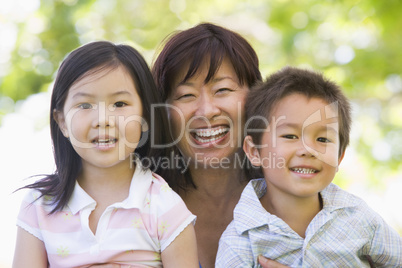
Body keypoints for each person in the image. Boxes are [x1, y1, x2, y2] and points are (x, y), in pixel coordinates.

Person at [13, 41, 198, 268]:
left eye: (119, 103)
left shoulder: (164, 207)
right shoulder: (39, 205)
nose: (103, 119)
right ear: (62, 121)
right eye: (84, 105)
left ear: (145, 117)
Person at [216, 66, 402, 267]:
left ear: (339, 157)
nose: (308, 150)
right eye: (290, 136)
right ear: (254, 151)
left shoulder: (357, 216)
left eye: (322, 139)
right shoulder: (241, 241)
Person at [152, 22, 285, 268]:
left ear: (256, 98)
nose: (206, 111)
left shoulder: (296, 194)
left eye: (222, 89)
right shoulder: (140, 205)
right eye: (185, 95)